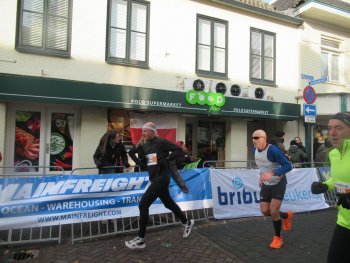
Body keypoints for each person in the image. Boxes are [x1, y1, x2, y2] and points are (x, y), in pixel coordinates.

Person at [125, 122, 194, 249]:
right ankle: (187, 221)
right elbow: (131, 152)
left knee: (143, 204)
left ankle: (141, 239)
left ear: (153, 131)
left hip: (162, 179)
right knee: (168, 203)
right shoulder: (144, 144)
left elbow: (178, 149)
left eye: (146, 131)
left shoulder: (161, 142)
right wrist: (140, 163)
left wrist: (167, 160)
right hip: (154, 178)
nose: (143, 133)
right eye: (142, 131)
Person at [311, 112, 350, 263]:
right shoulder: (333, 154)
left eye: (338, 128)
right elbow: (338, 178)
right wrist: (325, 185)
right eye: (330, 128)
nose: (332, 133)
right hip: (344, 221)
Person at [252, 129, 293, 249]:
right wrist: (261, 176)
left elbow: (288, 165)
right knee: (265, 211)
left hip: (278, 182)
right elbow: (263, 166)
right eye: (253, 138)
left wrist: (273, 173)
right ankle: (286, 216)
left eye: (257, 138)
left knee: (274, 211)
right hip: (266, 183)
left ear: (264, 138)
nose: (254, 140)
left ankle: (278, 238)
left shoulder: (273, 150)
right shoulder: (254, 150)